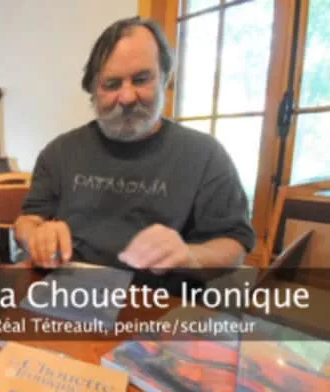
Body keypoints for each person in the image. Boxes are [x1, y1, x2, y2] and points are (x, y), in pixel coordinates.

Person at [13, 17, 255, 277]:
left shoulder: (206, 155)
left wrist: (190, 255)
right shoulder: (59, 152)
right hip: (73, 291)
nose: (127, 97)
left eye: (141, 79)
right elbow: (28, 220)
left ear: (165, 78)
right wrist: (35, 236)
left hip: (164, 297)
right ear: (93, 89)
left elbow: (235, 247)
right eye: (111, 84)